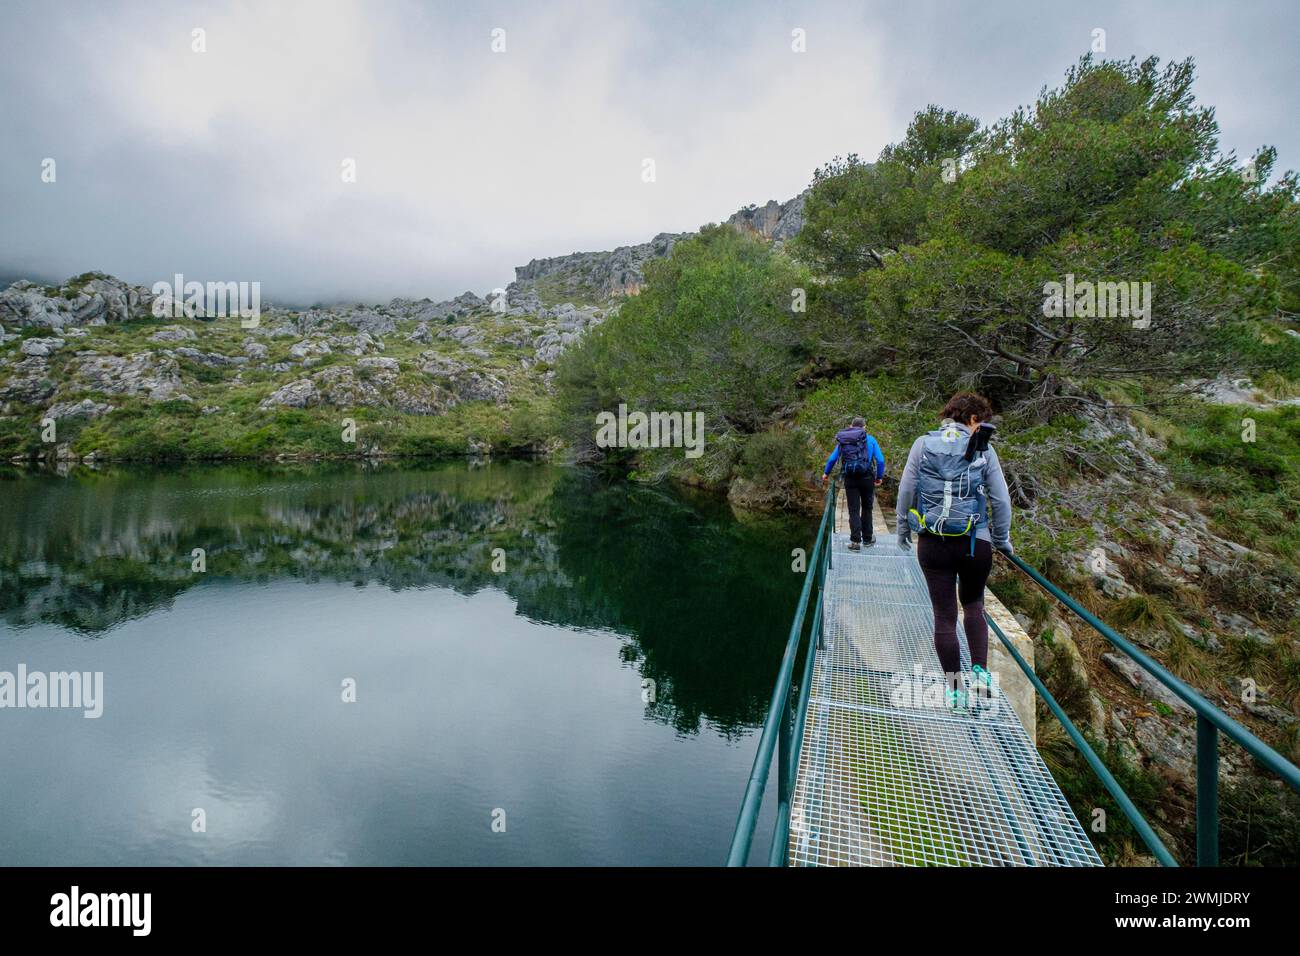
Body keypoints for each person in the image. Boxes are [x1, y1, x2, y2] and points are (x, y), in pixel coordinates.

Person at [895, 392, 1013, 712]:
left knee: (944, 618)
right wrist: (1001, 539)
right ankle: (981, 675)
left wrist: (904, 528)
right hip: (976, 541)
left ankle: (955, 690)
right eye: (983, 421)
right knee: (974, 605)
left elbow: (906, 490)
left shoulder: (923, 444)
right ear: (973, 419)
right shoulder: (985, 450)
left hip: (933, 544)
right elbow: (1001, 500)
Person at [821, 416, 885, 551]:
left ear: (851, 426)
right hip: (867, 478)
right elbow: (880, 460)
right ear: (864, 427)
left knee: (853, 510)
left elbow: (833, 459)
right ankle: (867, 539)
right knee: (867, 508)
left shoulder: (844, 440)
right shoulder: (871, 439)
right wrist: (878, 477)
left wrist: (826, 473)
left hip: (850, 478)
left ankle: (855, 542)